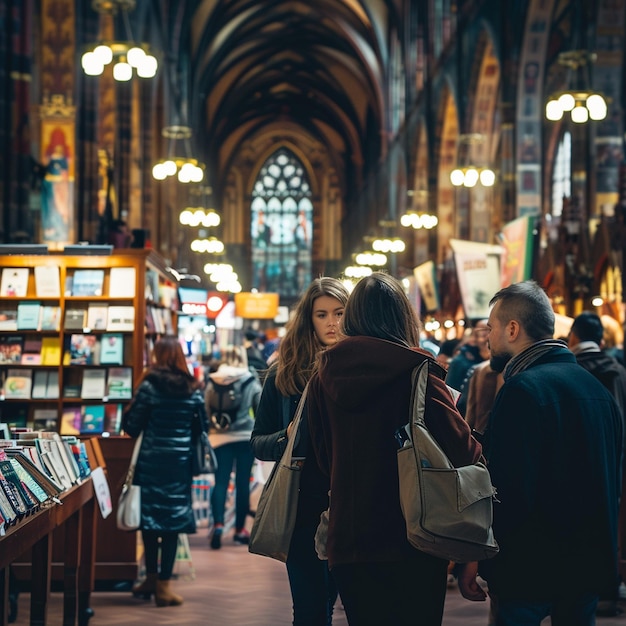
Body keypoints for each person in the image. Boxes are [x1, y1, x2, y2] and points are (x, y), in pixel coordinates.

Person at [307, 272, 483, 626]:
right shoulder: (419, 373)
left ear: (352, 317)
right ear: (404, 318)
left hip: (349, 540)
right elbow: (464, 451)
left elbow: (321, 458)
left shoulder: (322, 377)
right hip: (414, 536)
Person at [459, 281, 623, 626]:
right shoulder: (595, 387)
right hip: (587, 563)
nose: (488, 336)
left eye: (491, 327)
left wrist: (477, 556)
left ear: (513, 329)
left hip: (528, 567)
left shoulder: (522, 390)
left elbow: (506, 488)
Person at [251, 277, 349, 626]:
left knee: (344, 602)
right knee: (309, 609)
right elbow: (259, 442)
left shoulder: (359, 369)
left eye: (339, 313)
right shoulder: (283, 374)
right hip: (302, 501)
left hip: (351, 500)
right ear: (309, 320)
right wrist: (286, 436)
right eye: (322, 315)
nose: (332, 322)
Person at [122, 336, 208, 607]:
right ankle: (163, 586)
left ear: (158, 356)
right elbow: (201, 428)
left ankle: (151, 578)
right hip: (179, 464)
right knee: (172, 524)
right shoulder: (193, 388)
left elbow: (132, 427)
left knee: (149, 521)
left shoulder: (149, 385)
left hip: (150, 462)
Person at [568, 311, 626, 616]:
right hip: (615, 459)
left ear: (574, 336)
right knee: (610, 520)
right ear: (601, 339)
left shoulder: (570, 370)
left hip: (575, 461)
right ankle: (608, 585)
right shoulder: (617, 369)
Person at [206, 346, 262, 549]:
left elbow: (206, 408)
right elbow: (259, 407)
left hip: (219, 439)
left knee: (220, 481)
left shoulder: (213, 379)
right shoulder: (249, 379)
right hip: (244, 437)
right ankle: (239, 530)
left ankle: (218, 524)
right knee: (242, 484)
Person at [445, 319, 490, 392]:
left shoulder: (496, 362)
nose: (488, 337)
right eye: (484, 334)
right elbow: (450, 393)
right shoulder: (459, 362)